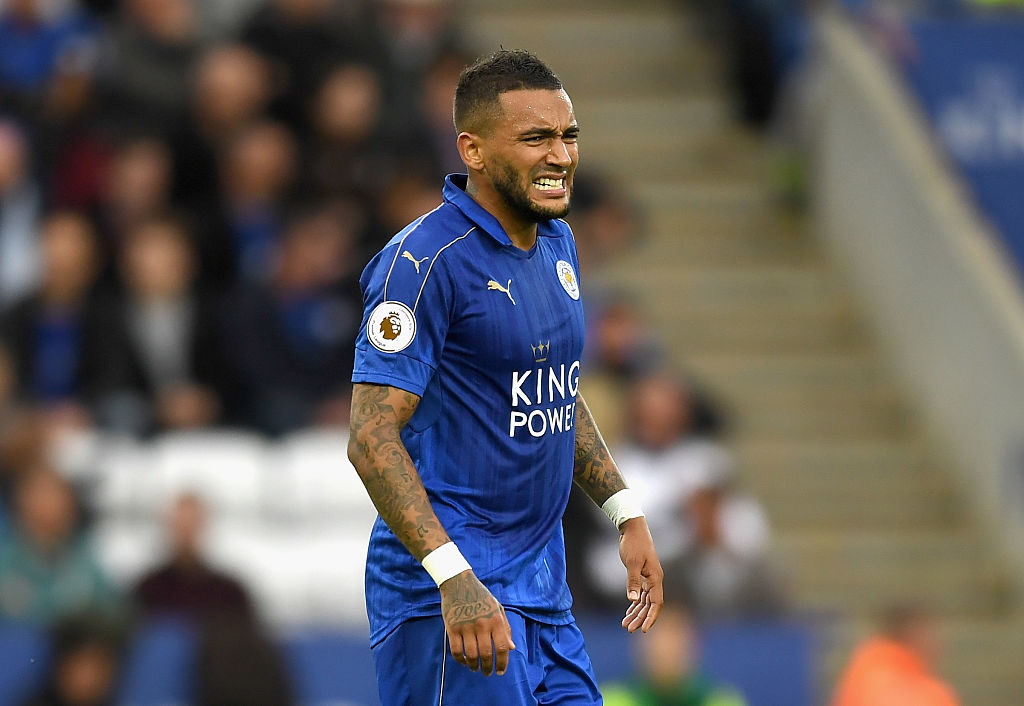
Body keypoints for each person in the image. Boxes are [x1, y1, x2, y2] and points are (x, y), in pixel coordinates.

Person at [348, 49, 664, 705]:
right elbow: (369, 436)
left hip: (542, 592)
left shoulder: (557, 244)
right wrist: (451, 577)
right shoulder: (421, 264)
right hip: (452, 600)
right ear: (475, 150)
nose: (560, 155)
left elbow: (555, 392)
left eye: (567, 136)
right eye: (536, 138)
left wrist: (624, 512)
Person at [602, 603, 746, 706]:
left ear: (695, 642)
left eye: (675, 632)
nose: (664, 646)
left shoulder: (723, 701)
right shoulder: (608, 701)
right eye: (654, 631)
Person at [830, 602, 961, 706]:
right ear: (914, 633)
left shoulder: (867, 667)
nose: (940, 643)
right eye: (931, 633)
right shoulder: (917, 691)